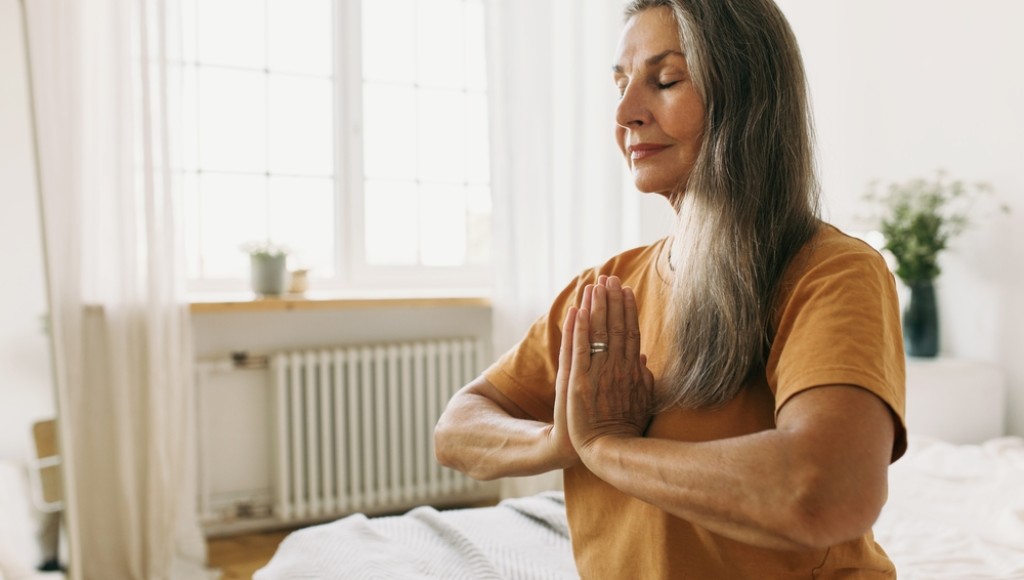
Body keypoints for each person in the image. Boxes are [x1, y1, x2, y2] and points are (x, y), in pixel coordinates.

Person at [434, 0, 906, 577]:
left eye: (666, 80)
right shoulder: (605, 290)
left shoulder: (831, 272)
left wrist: (608, 447)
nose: (626, 112)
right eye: (620, 83)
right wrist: (561, 440)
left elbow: (826, 493)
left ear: (747, 96)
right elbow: (458, 428)